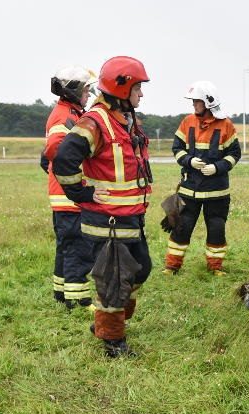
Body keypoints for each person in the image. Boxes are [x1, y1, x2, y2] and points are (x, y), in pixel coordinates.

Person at [53, 56, 152, 357]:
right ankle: (113, 341)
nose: (142, 94)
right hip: (107, 221)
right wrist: (82, 193)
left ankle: (109, 320)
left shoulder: (125, 119)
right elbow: (63, 159)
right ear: (121, 89)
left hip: (130, 218)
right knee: (113, 282)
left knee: (141, 270)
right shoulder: (94, 122)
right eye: (138, 88)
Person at [164, 81, 241, 275]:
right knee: (182, 227)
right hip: (190, 189)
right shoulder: (187, 121)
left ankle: (215, 268)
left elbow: (235, 154)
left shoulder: (226, 125)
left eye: (197, 101)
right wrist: (189, 161)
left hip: (217, 191)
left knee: (216, 228)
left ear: (208, 102)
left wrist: (217, 167)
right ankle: (171, 266)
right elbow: (176, 149)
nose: (193, 104)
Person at [42, 66, 97, 309]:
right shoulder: (66, 115)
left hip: (62, 193)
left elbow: (48, 159)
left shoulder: (69, 112)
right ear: (74, 90)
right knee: (78, 247)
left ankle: (61, 292)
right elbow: (55, 149)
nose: (89, 93)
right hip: (70, 195)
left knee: (66, 246)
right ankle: (78, 299)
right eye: (87, 89)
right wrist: (73, 178)